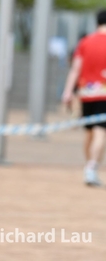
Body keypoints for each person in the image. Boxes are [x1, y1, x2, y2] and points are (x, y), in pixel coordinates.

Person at [61, 10, 106, 186]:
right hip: (104, 95)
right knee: (100, 132)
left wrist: (67, 92)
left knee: (89, 133)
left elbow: (75, 69)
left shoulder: (85, 42)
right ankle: (91, 167)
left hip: (86, 94)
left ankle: (89, 168)